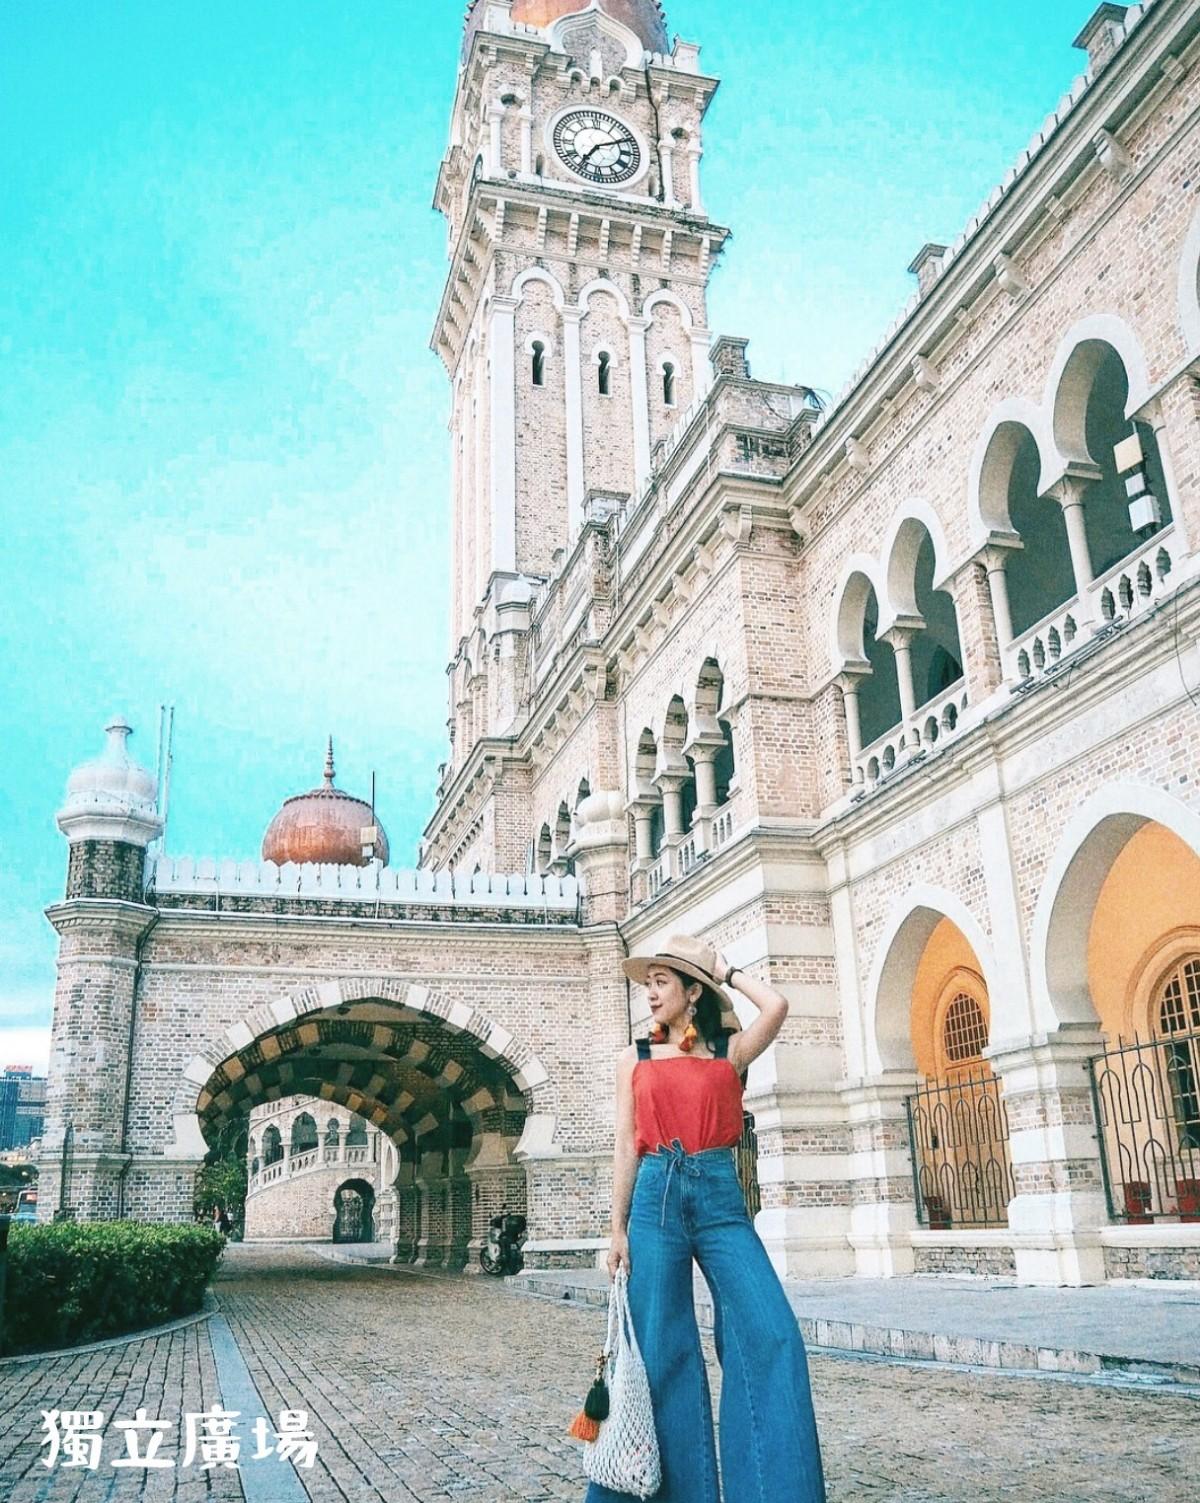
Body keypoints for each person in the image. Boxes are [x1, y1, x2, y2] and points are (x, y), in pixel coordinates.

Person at [584, 935, 826, 1503]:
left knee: (772, 1333)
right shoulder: (634, 1058)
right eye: (647, 984)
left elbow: (777, 1006)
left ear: (693, 992)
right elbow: (625, 1143)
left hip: (720, 1201)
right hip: (655, 1197)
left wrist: (728, 971)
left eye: (662, 982)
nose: (650, 993)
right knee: (660, 1348)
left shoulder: (728, 1053)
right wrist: (616, 1229)